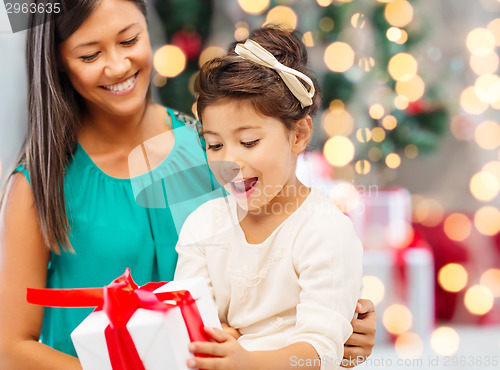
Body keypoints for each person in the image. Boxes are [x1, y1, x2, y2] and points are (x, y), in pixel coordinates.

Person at [0, 0, 375, 368]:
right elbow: (11, 349)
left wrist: (343, 326)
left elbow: (287, 294)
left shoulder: (212, 148)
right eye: (89, 55)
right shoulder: (39, 184)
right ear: (59, 63)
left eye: (129, 40)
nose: (117, 66)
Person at [174, 26, 368, 370]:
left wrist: (247, 362)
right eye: (214, 145)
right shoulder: (203, 226)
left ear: (299, 134)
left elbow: (321, 350)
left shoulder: (325, 231)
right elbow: (188, 326)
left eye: (249, 142)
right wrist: (214, 336)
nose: (229, 163)